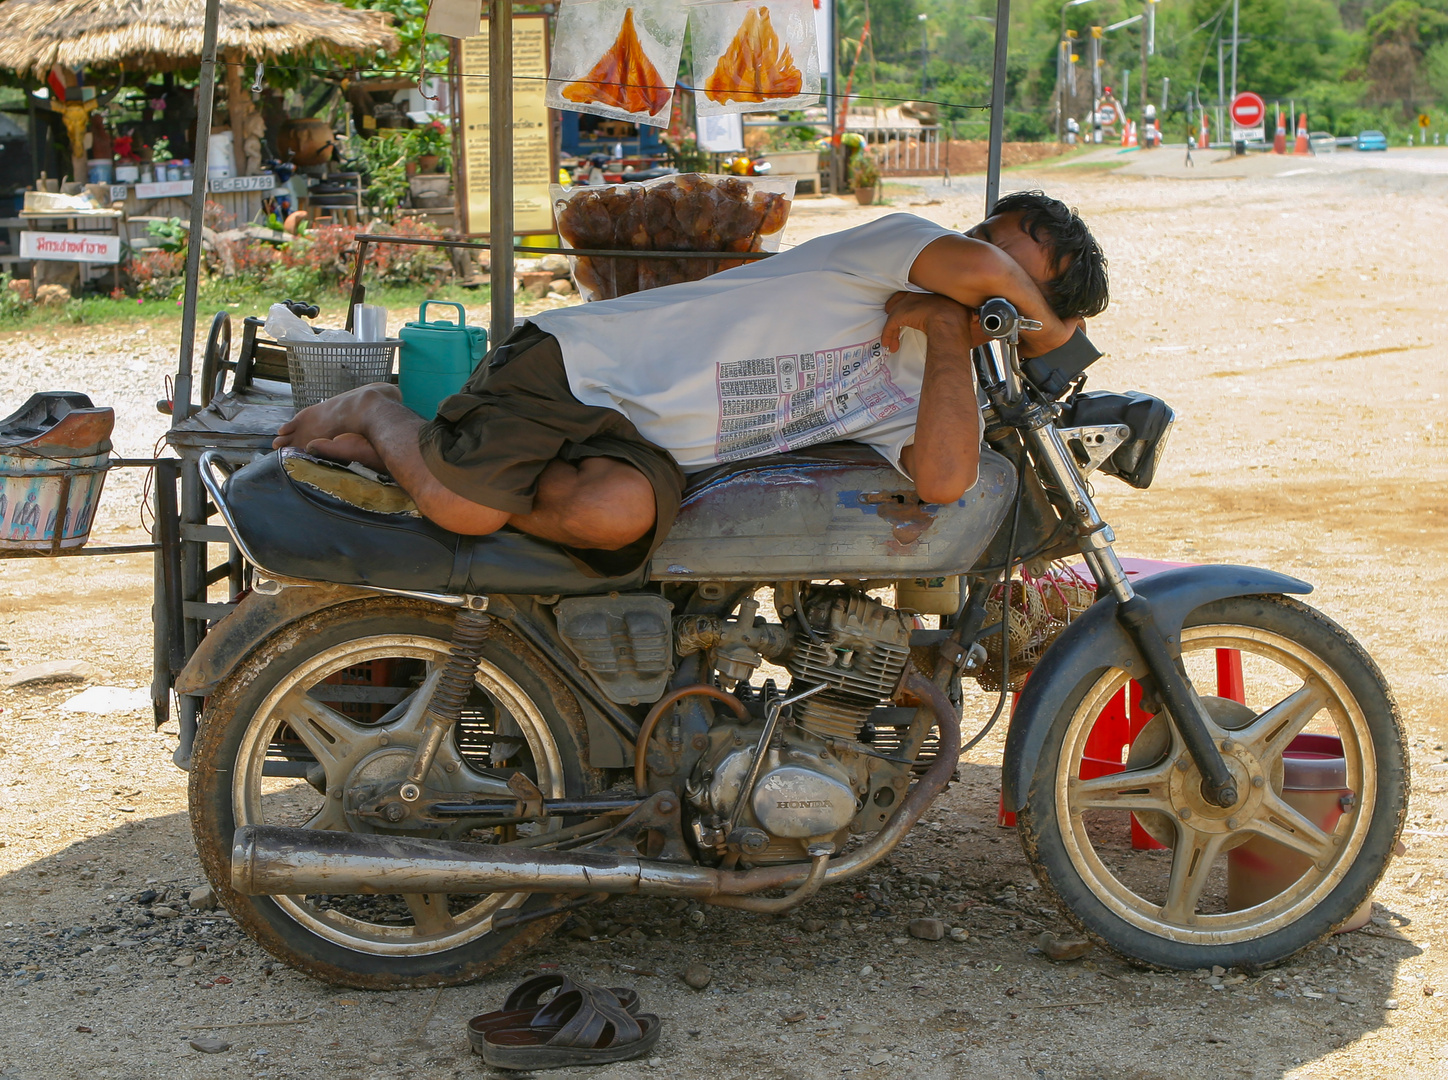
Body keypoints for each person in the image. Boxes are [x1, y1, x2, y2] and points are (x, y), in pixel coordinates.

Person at [275, 190, 1109, 575]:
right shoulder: (897, 246)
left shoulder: (933, 362)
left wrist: (951, 332)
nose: (980, 279)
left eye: (1009, 282)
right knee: (466, 511)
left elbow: (942, 478)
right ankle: (379, 411)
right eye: (988, 251)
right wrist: (1058, 335)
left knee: (614, 516)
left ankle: (440, 458)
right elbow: (971, 265)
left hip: (645, 445)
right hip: (579, 367)